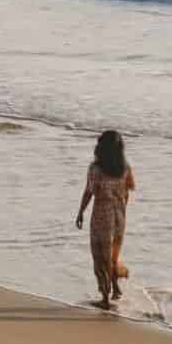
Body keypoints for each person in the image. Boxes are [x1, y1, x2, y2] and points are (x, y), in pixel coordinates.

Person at [75, 128, 136, 308]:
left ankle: (105, 298)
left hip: (102, 215)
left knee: (100, 256)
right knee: (113, 256)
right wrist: (122, 209)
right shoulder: (125, 167)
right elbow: (128, 191)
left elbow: (89, 192)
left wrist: (80, 212)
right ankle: (116, 288)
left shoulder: (96, 169)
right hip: (120, 216)